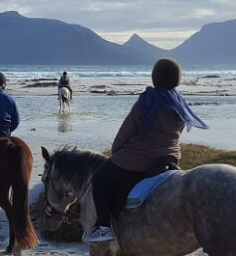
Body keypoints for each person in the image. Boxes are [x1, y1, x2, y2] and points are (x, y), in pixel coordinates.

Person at [84, 58, 208, 244]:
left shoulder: (148, 100)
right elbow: (178, 131)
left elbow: (127, 129)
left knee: (100, 179)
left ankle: (104, 228)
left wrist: (116, 150)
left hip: (140, 158)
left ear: (155, 77)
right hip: (169, 156)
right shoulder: (179, 101)